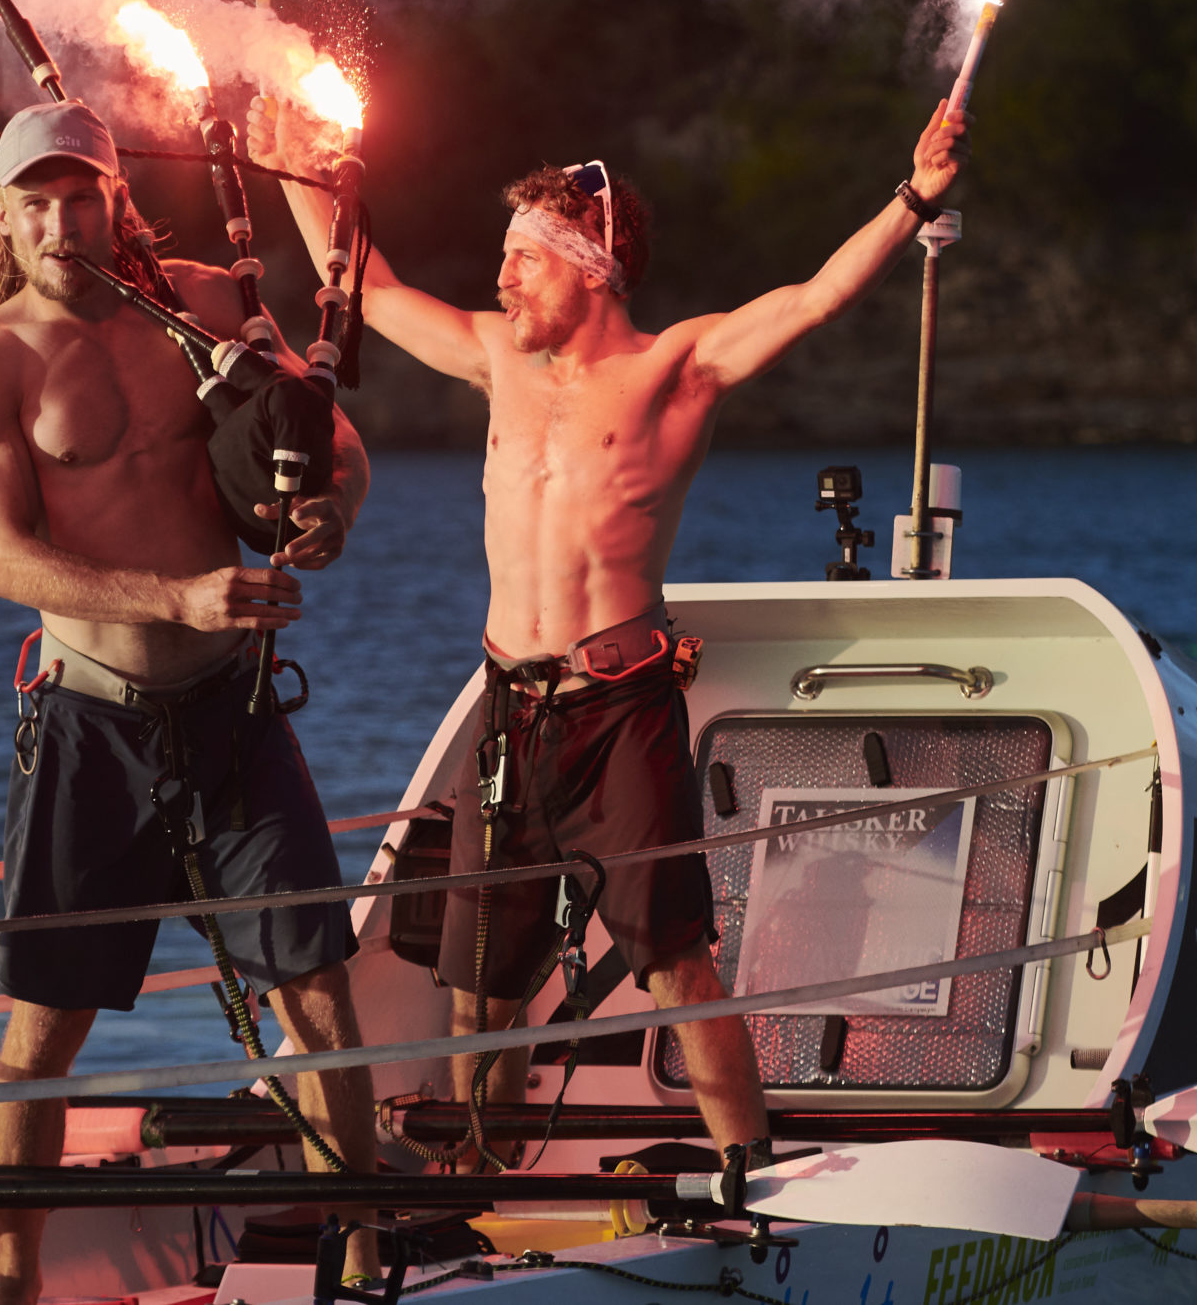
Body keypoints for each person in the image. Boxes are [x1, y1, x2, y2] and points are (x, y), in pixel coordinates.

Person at [264, 94, 969, 1179]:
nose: (500, 279)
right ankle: (476, 1189)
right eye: (501, 260)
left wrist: (913, 193)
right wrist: (296, 172)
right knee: (480, 992)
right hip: (508, 712)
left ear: (591, 263)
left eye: (522, 261)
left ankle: (749, 1179)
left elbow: (817, 299)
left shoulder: (674, 368)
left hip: (620, 712)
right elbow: (367, 285)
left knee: (677, 966)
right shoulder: (495, 356)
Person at [0, 101, 381, 1302]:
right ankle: (16, 1277)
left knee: (318, 989)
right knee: (43, 1027)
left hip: (233, 712)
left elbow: (329, 440)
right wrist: (174, 598)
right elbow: (4, 563)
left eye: (82, 196)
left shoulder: (209, 308)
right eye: (35, 200)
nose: (60, 221)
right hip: (91, 721)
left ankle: (365, 1246)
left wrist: (330, 510)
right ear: (3, 215)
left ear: (117, 199)